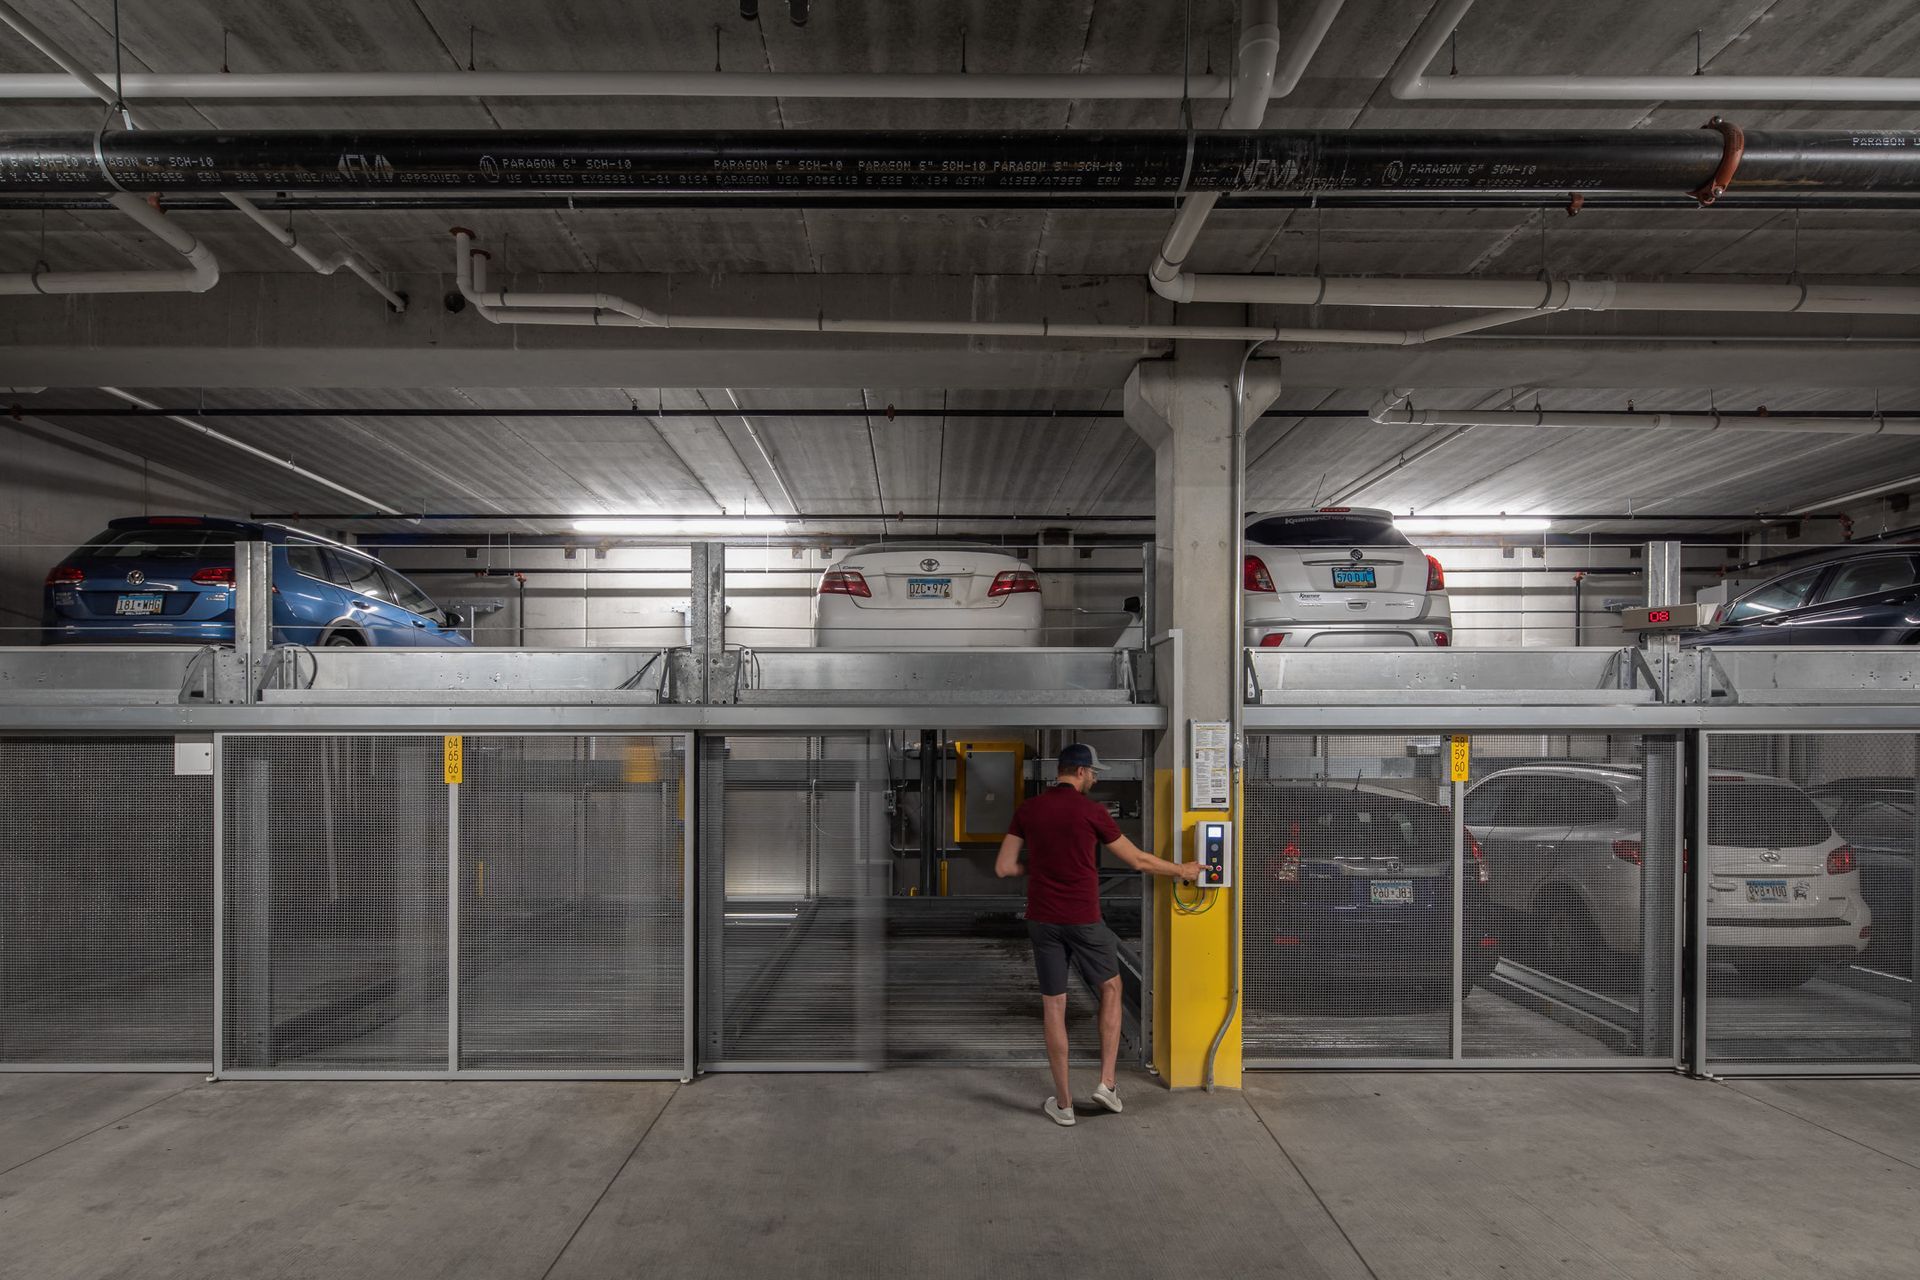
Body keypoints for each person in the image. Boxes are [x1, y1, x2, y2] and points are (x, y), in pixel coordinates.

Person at [995, 743, 1201, 1127]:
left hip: (1043, 920)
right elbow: (1137, 860)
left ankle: (1064, 1104)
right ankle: (1107, 1084)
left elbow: (1005, 867)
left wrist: (1038, 870)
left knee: (1053, 1006)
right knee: (1111, 988)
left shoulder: (1029, 810)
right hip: (1084, 920)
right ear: (1079, 771)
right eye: (1094, 772)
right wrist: (1181, 870)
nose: (1096, 778)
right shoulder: (1092, 812)